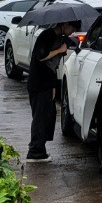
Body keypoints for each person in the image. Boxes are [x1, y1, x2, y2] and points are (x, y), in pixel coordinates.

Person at [25, 19, 79, 163]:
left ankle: (40, 149)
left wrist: (53, 86)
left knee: (48, 117)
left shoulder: (56, 37)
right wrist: (60, 50)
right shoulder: (47, 35)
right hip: (39, 84)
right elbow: (41, 56)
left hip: (46, 84)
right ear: (65, 24)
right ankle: (35, 152)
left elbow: (52, 67)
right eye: (72, 28)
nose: (72, 32)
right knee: (40, 118)